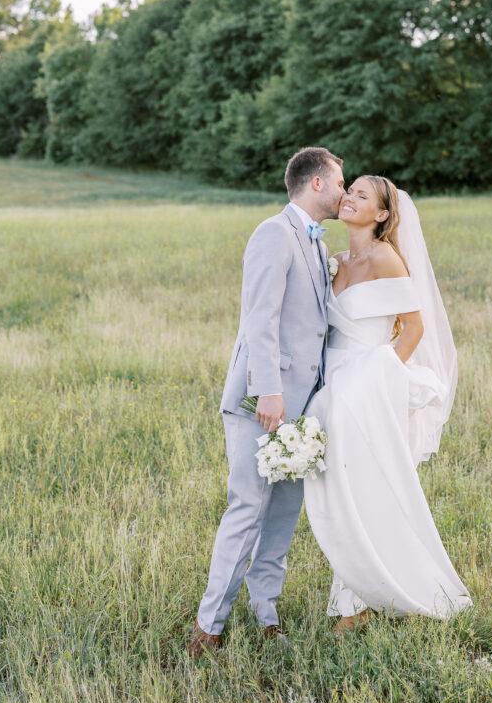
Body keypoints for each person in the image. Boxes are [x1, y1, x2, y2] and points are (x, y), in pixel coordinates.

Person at [188, 147, 346, 658]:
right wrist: (270, 391)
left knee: (282, 515)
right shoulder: (273, 234)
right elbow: (260, 317)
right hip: (264, 402)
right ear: (317, 182)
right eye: (340, 181)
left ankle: (267, 614)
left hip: (304, 409)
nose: (345, 192)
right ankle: (208, 628)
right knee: (247, 509)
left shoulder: (317, 244)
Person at [304, 175, 472, 634]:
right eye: (349, 190)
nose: (349, 197)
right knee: (342, 491)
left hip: (368, 383)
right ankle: (360, 595)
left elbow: (414, 328)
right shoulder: (335, 261)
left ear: (381, 215)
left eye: (361, 195)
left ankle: (353, 606)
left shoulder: (385, 257)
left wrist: (377, 375)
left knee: (361, 488)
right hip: (333, 383)